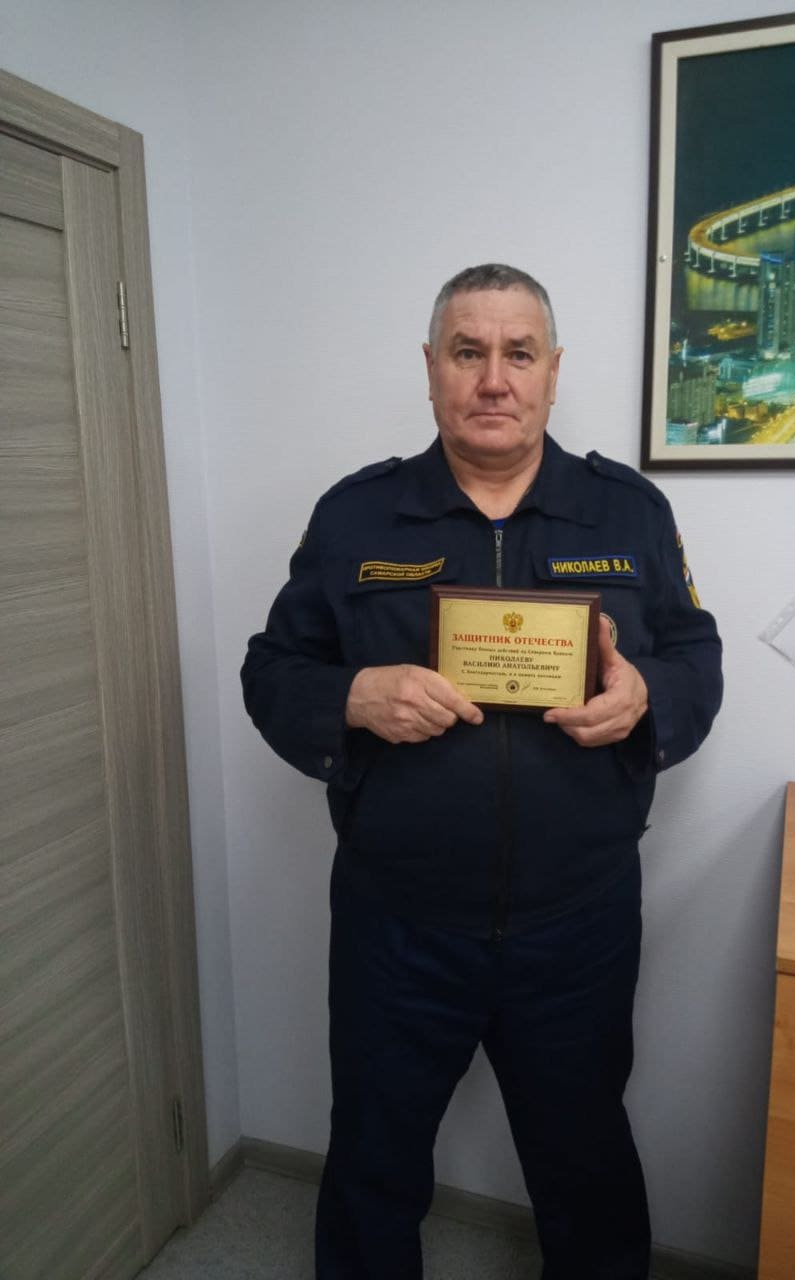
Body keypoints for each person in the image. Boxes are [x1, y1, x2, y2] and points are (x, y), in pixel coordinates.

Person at [241, 264, 722, 1280]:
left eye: (518, 353)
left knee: (585, 1162)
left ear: (553, 371)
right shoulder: (357, 516)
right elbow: (273, 668)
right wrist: (352, 697)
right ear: (431, 369)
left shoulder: (626, 511)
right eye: (468, 352)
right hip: (396, 922)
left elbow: (695, 651)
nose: (494, 378)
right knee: (373, 1158)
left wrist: (647, 697)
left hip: (578, 919)